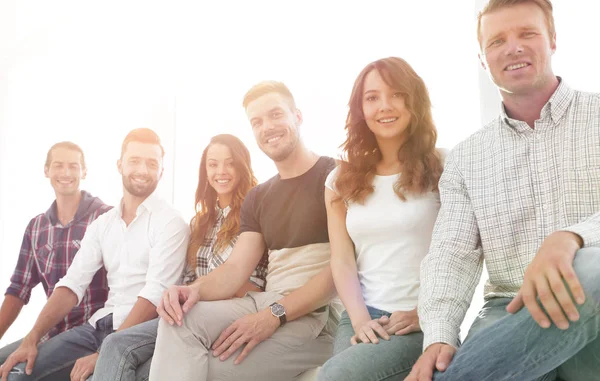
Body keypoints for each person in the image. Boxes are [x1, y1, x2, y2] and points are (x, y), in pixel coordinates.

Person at [407, 1, 600, 380]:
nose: (513, 48)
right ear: (483, 59)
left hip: (593, 293)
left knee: (590, 265)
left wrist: (574, 237)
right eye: (497, 41)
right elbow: (452, 252)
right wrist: (439, 334)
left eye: (527, 34)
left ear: (553, 40)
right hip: (508, 308)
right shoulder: (466, 158)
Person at [149, 81, 337, 381]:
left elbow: (343, 270)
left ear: (298, 116)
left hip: (318, 315)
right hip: (267, 301)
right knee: (178, 320)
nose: (267, 127)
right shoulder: (259, 196)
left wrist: (274, 315)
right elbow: (235, 269)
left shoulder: (335, 175)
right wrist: (189, 291)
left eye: (276, 115)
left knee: (214, 369)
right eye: (257, 122)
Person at [0, 128, 189, 381]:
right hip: (96, 327)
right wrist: (32, 337)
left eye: (151, 163)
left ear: (161, 172)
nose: (143, 170)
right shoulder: (104, 223)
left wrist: (105, 351)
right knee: (18, 374)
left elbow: (154, 295)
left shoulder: (170, 222)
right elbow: (72, 283)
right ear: (120, 165)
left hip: (135, 333)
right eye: (134, 161)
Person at [91, 134, 267, 381]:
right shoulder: (200, 222)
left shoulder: (254, 213)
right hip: (190, 316)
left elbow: (254, 287)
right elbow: (188, 279)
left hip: (228, 315)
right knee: (138, 367)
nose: (221, 171)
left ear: (242, 167)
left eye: (230, 163)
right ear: (205, 171)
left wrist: (215, 288)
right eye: (213, 164)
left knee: (116, 346)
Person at [317, 57, 444, 381]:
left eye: (396, 94)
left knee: (335, 377)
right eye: (372, 98)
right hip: (361, 317)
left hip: (421, 321)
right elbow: (342, 260)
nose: (384, 106)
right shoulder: (339, 180)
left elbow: (463, 254)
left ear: (414, 100)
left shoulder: (445, 166)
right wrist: (359, 320)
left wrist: (426, 314)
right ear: (360, 110)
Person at [0, 142, 111, 363]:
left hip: (90, 334)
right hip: (51, 332)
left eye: (73, 166)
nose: (66, 173)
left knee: (16, 374)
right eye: (58, 165)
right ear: (46, 170)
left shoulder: (105, 218)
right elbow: (18, 290)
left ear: (84, 171)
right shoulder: (37, 227)